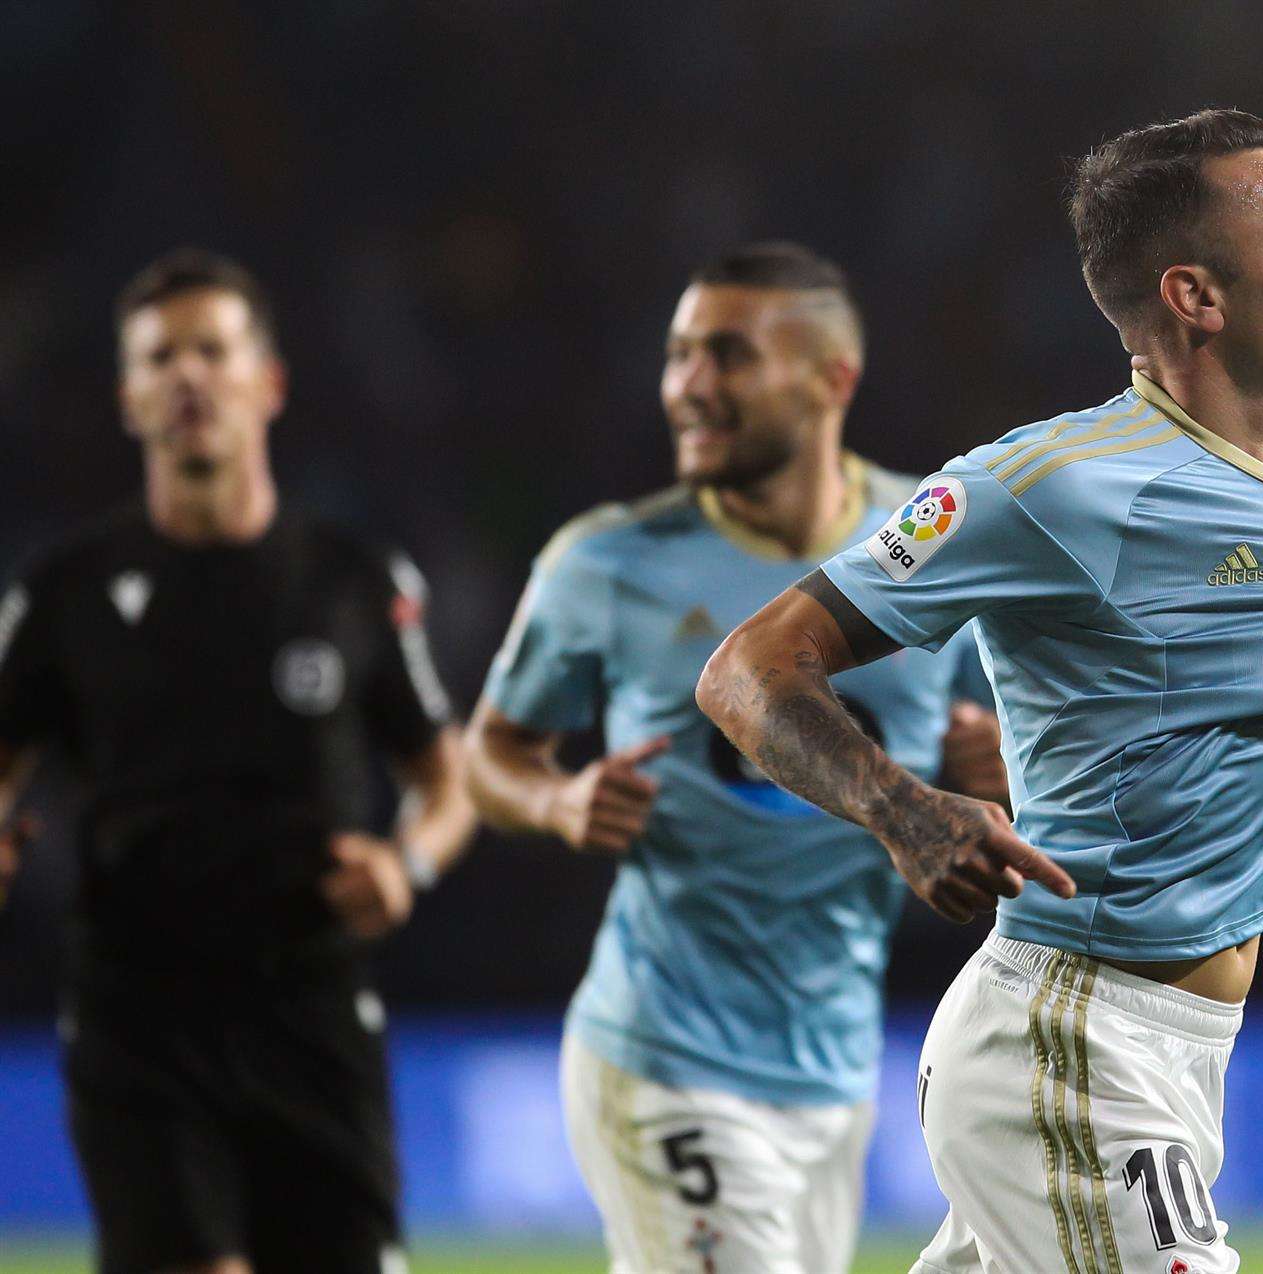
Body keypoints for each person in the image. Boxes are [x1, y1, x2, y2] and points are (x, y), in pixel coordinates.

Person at [697, 110, 1263, 1272]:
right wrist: (902, 808)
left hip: (1172, 1046)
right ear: (1197, 296)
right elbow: (749, 668)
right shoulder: (1053, 486)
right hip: (1069, 1041)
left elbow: (1258, 865)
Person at [464, 241, 1006, 1274]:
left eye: (727, 355)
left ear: (831, 378)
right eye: (677, 356)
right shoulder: (606, 561)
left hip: (834, 1064)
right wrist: (555, 797)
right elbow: (489, 751)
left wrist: (1000, 770)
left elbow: (1025, 746)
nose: (688, 387)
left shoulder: (926, 546)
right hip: (662, 1047)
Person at [0, 249, 476, 1274]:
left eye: (213, 350)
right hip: (142, 1020)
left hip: (311, 1011)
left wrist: (409, 864)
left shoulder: (350, 580)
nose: (188, 376)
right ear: (129, 397)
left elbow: (447, 781)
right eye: (159, 357)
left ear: (268, 381)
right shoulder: (63, 592)